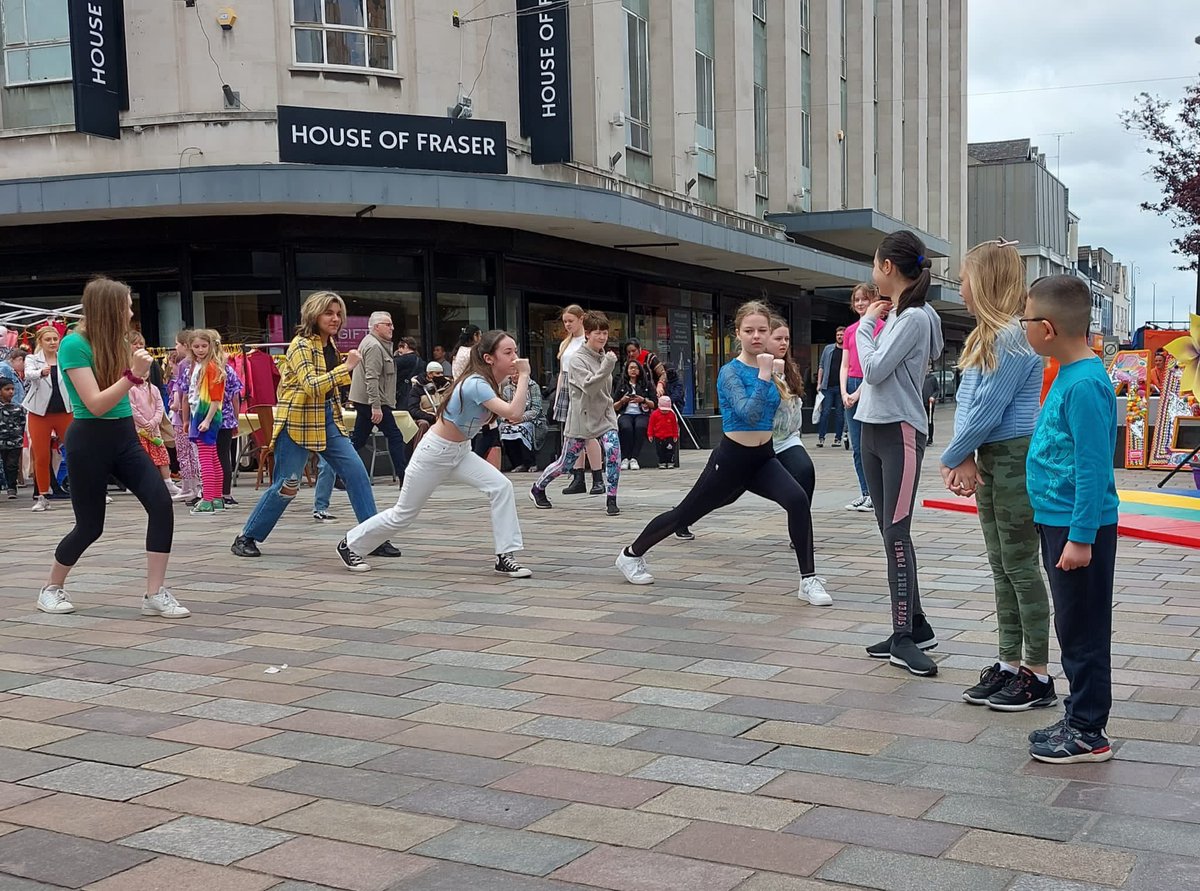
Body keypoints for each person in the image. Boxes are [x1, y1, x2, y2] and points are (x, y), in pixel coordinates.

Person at [614, 301, 817, 593]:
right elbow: (748, 413)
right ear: (738, 333)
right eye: (749, 330)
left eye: (762, 330)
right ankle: (631, 554)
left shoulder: (771, 367)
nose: (756, 336)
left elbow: (776, 413)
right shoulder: (729, 372)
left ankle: (808, 580)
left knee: (797, 500)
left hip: (763, 458)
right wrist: (764, 376)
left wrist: (778, 378)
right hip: (731, 460)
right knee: (685, 513)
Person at [940, 241, 1053, 711]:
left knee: (1020, 565)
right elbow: (971, 404)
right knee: (1002, 564)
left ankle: (1037, 673)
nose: (960, 289)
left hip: (1012, 457)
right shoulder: (989, 336)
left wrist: (953, 457)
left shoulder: (1011, 338)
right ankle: (1009, 663)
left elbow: (988, 408)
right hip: (991, 454)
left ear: (984, 282)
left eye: (964, 279)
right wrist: (964, 455)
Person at [36, 277, 189, 618]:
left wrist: (137, 375)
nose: (132, 313)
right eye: (127, 307)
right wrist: (132, 376)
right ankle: (51, 588)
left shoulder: (119, 341)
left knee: (161, 504)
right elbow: (94, 404)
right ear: (110, 309)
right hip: (89, 441)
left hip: (124, 437)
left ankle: (154, 593)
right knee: (90, 526)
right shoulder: (73, 345)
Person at [341, 329, 534, 578]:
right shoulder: (476, 383)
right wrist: (525, 375)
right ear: (489, 358)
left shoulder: (491, 382)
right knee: (403, 514)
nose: (515, 357)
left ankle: (505, 556)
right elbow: (514, 413)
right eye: (508, 352)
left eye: (515, 351)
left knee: (501, 486)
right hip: (435, 453)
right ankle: (349, 544)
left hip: (460, 451)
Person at [1022, 274, 1118, 764]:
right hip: (1058, 521)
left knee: (1083, 628)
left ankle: (1088, 731)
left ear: (1046, 328)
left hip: (1079, 528)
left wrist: (1081, 537)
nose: (1022, 327)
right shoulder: (1068, 373)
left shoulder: (1084, 384)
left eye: (1024, 319)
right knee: (1072, 623)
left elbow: (1093, 466)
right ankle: (1078, 714)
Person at [231, 291, 400, 561]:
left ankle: (370, 537)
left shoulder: (329, 343)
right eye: (328, 313)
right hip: (298, 420)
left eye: (338, 313)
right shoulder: (300, 345)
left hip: (327, 418)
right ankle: (247, 536)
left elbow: (327, 387)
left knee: (357, 474)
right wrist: (346, 368)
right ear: (314, 314)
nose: (335, 318)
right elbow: (311, 385)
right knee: (287, 484)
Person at [856, 230, 944, 676]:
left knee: (896, 533)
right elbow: (933, 352)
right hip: (873, 427)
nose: (873, 272)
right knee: (888, 530)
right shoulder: (903, 314)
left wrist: (864, 327)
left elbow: (873, 370)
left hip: (901, 431)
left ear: (888, 267)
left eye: (875, 265)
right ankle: (915, 625)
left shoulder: (913, 317)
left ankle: (904, 636)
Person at [530, 311, 623, 516]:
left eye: (605, 333)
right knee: (565, 463)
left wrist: (607, 365)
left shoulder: (603, 356)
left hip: (605, 415)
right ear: (587, 334)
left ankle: (612, 499)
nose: (602, 337)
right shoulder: (577, 359)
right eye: (598, 333)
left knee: (614, 453)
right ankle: (538, 488)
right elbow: (589, 387)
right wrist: (608, 366)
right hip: (581, 418)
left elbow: (605, 389)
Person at [348, 311, 409, 485]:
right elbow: (371, 377)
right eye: (388, 325)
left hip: (367, 401)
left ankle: (336, 473)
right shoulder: (374, 346)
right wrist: (376, 406)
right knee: (395, 436)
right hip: (373, 402)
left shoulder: (375, 343)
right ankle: (405, 478)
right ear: (376, 327)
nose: (392, 328)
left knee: (358, 439)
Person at [552, 306, 605, 496]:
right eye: (565, 321)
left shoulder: (587, 341)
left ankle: (598, 478)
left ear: (581, 319)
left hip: (583, 385)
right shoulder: (565, 343)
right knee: (573, 434)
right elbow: (562, 372)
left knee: (588, 433)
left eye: (570, 321)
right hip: (567, 386)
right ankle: (578, 477)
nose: (567, 325)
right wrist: (558, 396)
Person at [23, 326, 73, 511]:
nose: (52, 342)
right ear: (40, 342)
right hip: (39, 412)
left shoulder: (64, 356)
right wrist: (40, 372)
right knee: (41, 455)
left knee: (77, 451)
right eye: (48, 339)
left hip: (65, 410)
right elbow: (28, 374)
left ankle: (90, 490)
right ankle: (43, 495)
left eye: (55, 339)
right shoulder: (32, 359)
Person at [841, 283, 881, 511]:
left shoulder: (882, 328)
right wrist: (844, 392)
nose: (859, 303)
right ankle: (865, 492)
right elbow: (845, 365)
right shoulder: (850, 330)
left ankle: (876, 494)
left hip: (871, 385)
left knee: (871, 446)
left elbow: (875, 365)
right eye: (856, 299)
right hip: (851, 384)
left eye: (864, 299)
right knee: (857, 446)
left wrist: (857, 394)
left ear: (874, 299)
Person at [128, 368, 184, 499]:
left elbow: (160, 407)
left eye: (146, 371)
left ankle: (167, 482)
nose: (144, 374)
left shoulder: (154, 389)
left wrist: (154, 422)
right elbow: (132, 408)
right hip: (139, 430)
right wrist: (144, 422)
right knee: (141, 458)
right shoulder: (131, 389)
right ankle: (138, 482)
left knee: (162, 456)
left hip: (154, 430)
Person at [168, 330, 203, 504]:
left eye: (177, 344)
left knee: (186, 453)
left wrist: (184, 416)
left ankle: (190, 488)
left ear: (185, 345)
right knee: (197, 453)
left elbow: (183, 394)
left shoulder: (184, 365)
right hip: (200, 413)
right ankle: (201, 487)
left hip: (185, 416)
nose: (175, 347)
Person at [613, 358, 656, 470]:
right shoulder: (622, 385)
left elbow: (654, 404)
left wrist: (643, 400)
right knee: (626, 427)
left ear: (640, 370)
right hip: (625, 413)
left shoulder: (647, 385)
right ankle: (625, 457)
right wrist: (623, 401)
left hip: (641, 413)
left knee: (640, 427)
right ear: (627, 370)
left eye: (636, 368)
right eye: (631, 368)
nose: (633, 370)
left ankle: (634, 457)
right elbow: (614, 406)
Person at [499, 371, 544, 472]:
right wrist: (508, 418)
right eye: (512, 373)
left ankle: (531, 462)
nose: (514, 376)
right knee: (505, 429)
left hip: (531, 419)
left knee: (521, 429)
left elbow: (536, 409)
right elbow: (502, 407)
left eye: (517, 373)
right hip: (511, 418)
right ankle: (517, 463)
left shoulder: (533, 386)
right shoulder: (507, 388)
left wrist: (521, 418)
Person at [815, 327, 846, 447]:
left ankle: (838, 438)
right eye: (838, 335)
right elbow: (821, 366)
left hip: (841, 387)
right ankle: (821, 438)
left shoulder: (847, 350)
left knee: (839, 413)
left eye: (842, 335)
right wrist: (819, 383)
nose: (839, 337)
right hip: (827, 386)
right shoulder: (828, 349)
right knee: (825, 412)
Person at [407, 361, 452, 438]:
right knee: (423, 424)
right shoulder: (417, 389)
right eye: (437, 373)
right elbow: (413, 409)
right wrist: (431, 417)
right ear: (429, 374)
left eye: (442, 373)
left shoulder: (446, 386)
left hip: (442, 417)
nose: (441, 376)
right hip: (425, 417)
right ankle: (418, 444)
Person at [0, 377, 24, 498]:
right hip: (1, 441)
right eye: (7, 389)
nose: (11, 392)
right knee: (3, 464)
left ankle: (12, 487)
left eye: (12, 389)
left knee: (12, 465)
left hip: (15, 441)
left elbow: (23, 423)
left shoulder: (18, 408)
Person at [647, 395, 679, 469]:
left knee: (670, 450)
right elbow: (651, 425)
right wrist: (650, 434)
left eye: (666, 410)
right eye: (663, 410)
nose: (665, 411)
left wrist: (675, 435)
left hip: (669, 436)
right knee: (660, 451)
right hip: (658, 436)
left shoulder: (672, 415)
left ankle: (670, 461)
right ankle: (662, 462)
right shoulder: (654, 414)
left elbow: (675, 426)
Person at [392, 336, 422, 403]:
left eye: (400, 347)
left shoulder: (402, 360)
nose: (399, 350)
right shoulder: (421, 361)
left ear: (405, 345)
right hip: (417, 395)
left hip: (403, 396)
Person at [922, 366, 939, 444]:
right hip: (921, 402)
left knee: (929, 420)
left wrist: (933, 396)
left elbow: (937, 390)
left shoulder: (932, 378)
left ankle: (930, 438)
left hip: (929, 403)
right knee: (922, 421)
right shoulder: (920, 377)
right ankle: (923, 437)